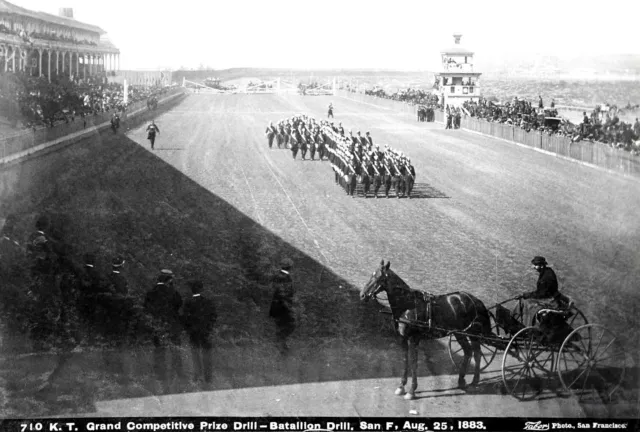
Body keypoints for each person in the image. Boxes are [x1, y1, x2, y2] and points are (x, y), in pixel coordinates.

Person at [144, 269, 184, 392]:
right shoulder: (172, 292)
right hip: (171, 325)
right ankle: (178, 374)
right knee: (175, 351)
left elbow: (146, 308)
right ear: (169, 280)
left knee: (159, 351)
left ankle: (160, 375)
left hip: (157, 325)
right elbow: (179, 304)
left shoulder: (151, 293)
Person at [182, 279, 217, 384]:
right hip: (206, 332)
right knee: (206, 354)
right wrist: (209, 327)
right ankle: (208, 377)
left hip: (194, 332)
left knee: (195, 354)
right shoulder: (208, 302)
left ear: (191, 290)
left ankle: (197, 377)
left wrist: (188, 329)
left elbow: (186, 318)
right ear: (201, 289)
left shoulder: (188, 303)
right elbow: (213, 316)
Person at [519, 256, 562, 327]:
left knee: (530, 306)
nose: (533, 267)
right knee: (526, 302)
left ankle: (529, 327)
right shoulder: (546, 271)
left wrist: (526, 295)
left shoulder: (546, 277)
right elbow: (541, 292)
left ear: (541, 266)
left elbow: (541, 294)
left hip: (551, 300)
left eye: (536, 265)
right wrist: (526, 295)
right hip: (547, 296)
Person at [269, 258, 295, 355]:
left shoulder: (281, 276)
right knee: (287, 325)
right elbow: (282, 292)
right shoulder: (283, 277)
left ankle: (281, 346)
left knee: (283, 325)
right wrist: (287, 305)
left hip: (279, 305)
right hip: (282, 306)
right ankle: (281, 347)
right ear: (289, 267)